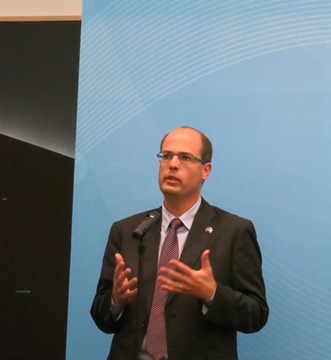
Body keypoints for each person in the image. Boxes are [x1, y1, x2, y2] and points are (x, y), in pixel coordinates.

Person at [91, 126, 268, 360]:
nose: (172, 164)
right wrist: (116, 300)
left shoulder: (234, 231)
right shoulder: (127, 230)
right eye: (166, 156)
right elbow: (101, 316)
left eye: (185, 157)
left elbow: (256, 314)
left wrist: (212, 293)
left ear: (206, 170)